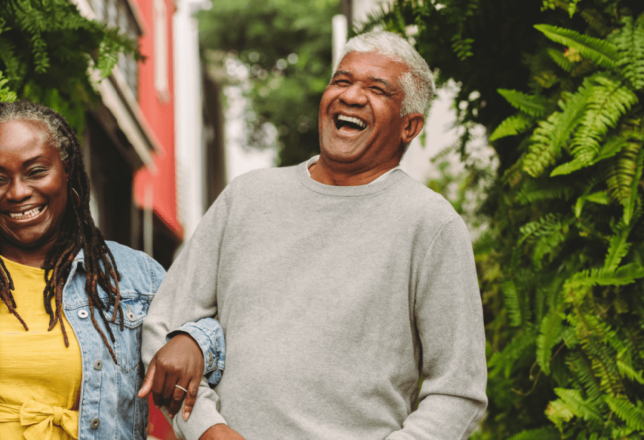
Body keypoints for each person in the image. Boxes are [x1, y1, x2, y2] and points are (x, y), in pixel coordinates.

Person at [141, 30, 488, 440]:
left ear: (409, 126)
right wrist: (205, 428)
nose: (351, 96)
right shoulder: (248, 196)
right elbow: (164, 326)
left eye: (377, 89)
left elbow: (457, 392)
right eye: (342, 81)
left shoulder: (431, 224)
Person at [0, 101, 224, 440]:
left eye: (36, 171)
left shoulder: (132, 276)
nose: (17, 192)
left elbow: (218, 334)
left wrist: (193, 341)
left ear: (67, 174)